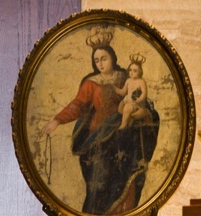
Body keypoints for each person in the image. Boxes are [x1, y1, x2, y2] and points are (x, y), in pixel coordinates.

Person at [41, 30, 160, 214]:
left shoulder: (125, 78)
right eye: (96, 60)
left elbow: (140, 100)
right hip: (99, 140)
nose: (100, 63)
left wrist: (144, 112)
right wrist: (57, 120)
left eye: (103, 58)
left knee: (126, 182)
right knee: (99, 186)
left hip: (123, 136)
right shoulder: (91, 83)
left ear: (112, 57)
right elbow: (78, 105)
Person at [115, 54, 149, 130]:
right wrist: (116, 90)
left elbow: (144, 93)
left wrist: (140, 99)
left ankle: (123, 125)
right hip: (127, 101)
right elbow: (123, 92)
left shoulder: (141, 81)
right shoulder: (128, 81)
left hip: (136, 103)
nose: (131, 72)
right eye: (130, 70)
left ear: (140, 72)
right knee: (120, 109)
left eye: (135, 70)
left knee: (127, 108)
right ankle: (131, 117)